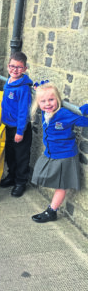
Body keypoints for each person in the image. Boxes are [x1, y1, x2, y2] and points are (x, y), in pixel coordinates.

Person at [30, 82, 88, 223]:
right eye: (43, 101)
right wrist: (39, 89)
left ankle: (52, 211)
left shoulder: (64, 114)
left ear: (58, 99)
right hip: (51, 154)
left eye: (51, 99)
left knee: (62, 186)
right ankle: (52, 209)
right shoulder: (45, 111)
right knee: (39, 172)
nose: (47, 104)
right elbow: (42, 92)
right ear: (38, 103)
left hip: (65, 156)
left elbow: (83, 121)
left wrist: (85, 110)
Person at [0, 51, 32, 197]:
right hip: (8, 126)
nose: (15, 69)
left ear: (24, 69)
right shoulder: (9, 82)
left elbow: (23, 112)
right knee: (10, 154)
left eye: (19, 67)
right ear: (8, 66)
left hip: (20, 129)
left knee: (21, 156)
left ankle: (20, 182)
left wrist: (20, 131)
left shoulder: (23, 87)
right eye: (12, 66)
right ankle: (11, 176)